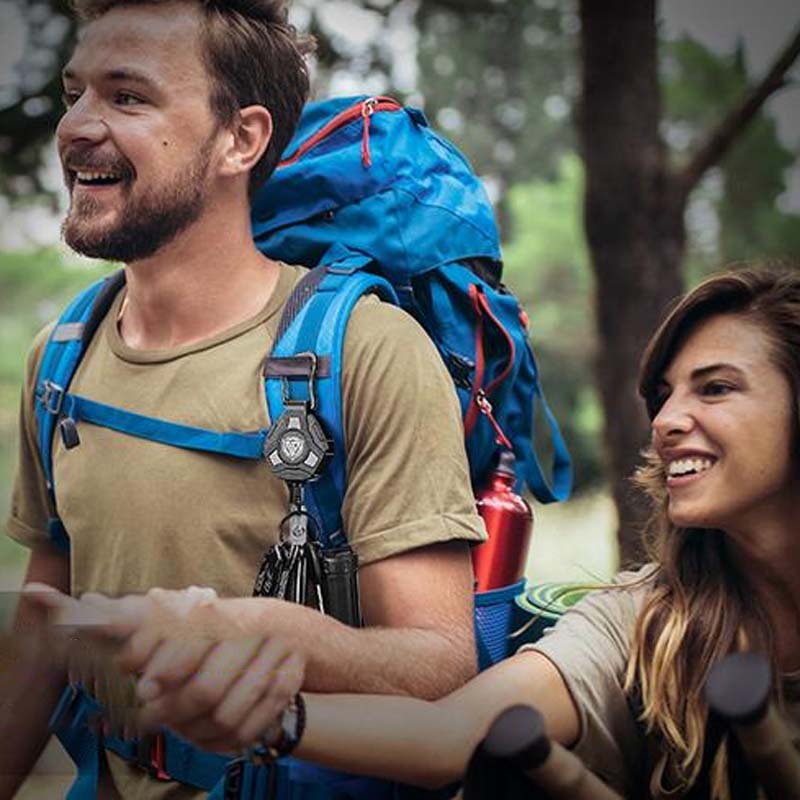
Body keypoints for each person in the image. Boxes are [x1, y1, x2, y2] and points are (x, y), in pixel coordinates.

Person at [39, 264, 800, 799]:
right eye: (663, 396)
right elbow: (452, 734)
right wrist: (269, 712)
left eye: (718, 388)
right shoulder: (648, 622)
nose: (666, 422)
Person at [0, 1, 485, 797]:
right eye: (74, 92)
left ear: (242, 138)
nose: (76, 127)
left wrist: (267, 635)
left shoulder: (363, 350)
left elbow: (440, 665)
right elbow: (42, 632)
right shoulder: (60, 358)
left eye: (127, 97)